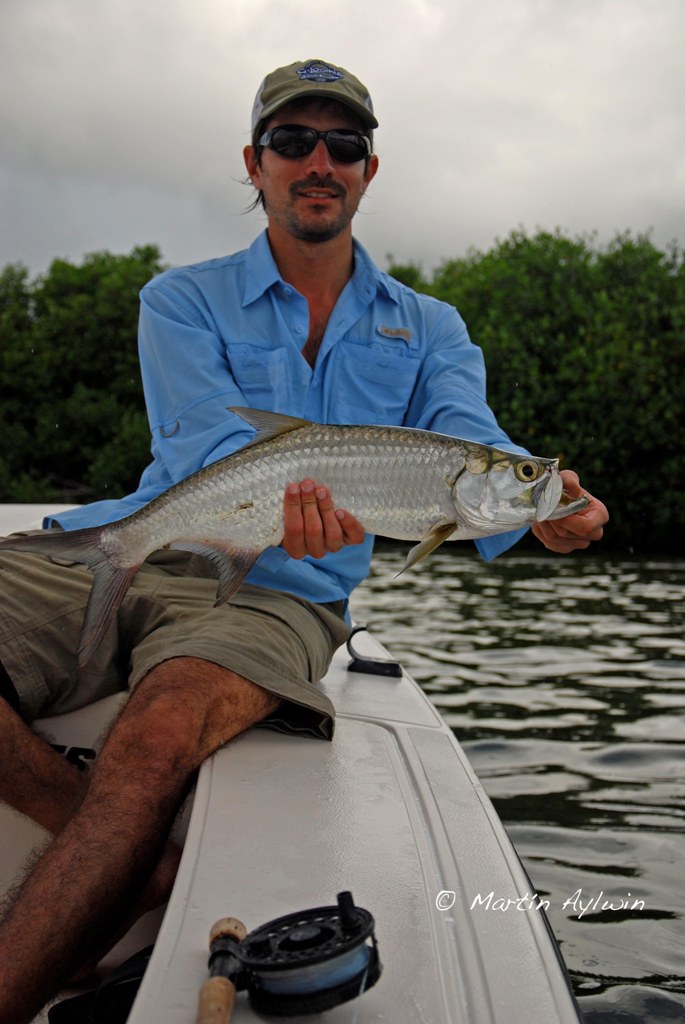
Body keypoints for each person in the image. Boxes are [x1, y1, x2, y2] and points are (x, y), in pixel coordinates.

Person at [0, 58, 608, 1022]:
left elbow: (480, 445)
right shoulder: (179, 298)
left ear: (370, 168)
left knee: (159, 735)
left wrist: (554, 503)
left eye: (344, 144)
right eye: (293, 141)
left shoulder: (434, 327)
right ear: (256, 163)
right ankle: (134, 868)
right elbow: (203, 441)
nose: (318, 160)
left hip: (286, 593)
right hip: (148, 533)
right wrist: (286, 487)